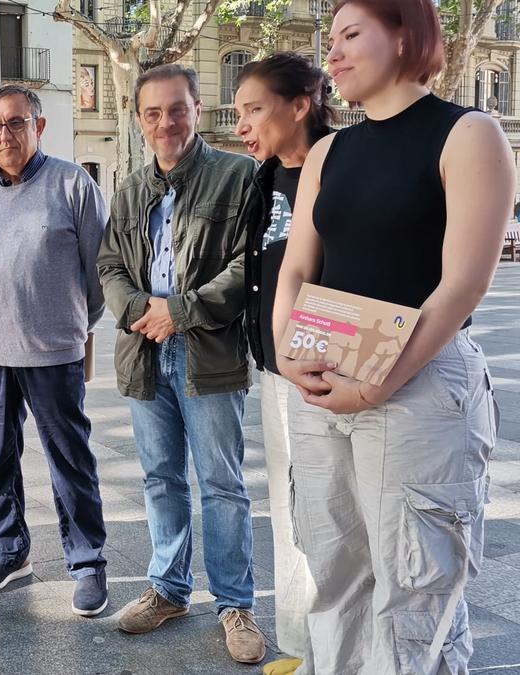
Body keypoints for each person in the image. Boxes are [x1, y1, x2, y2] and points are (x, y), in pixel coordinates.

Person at [273, 0, 509, 671]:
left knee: (417, 593)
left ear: (406, 33)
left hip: (420, 382)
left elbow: (464, 282)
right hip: (322, 377)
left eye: (352, 35)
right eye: (333, 39)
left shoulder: (468, 134)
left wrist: (377, 380)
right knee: (335, 577)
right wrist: (292, 356)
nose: (334, 54)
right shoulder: (327, 150)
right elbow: (297, 265)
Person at [97, 64, 265, 664]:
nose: (165, 122)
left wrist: (182, 311)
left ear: (197, 110)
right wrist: (143, 310)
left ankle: (234, 604)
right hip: (145, 350)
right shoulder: (131, 188)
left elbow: (253, 266)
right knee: (160, 478)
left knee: (222, 484)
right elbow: (109, 263)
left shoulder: (239, 175)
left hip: (208, 351)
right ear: (140, 120)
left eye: (176, 109)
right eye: (152, 112)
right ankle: (168, 589)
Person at [0, 84, 110, 617]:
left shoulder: (73, 183)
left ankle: (88, 561)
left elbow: (101, 270)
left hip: (54, 352)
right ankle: (10, 547)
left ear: (39, 127)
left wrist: (75, 326)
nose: (6, 134)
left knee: (70, 460)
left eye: (16, 123)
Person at [233, 53, 335, 675]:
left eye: (254, 109)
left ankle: (339, 650)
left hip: (329, 373)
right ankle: (301, 645)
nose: (242, 123)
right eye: (239, 110)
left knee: (333, 516)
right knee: (289, 508)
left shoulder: (345, 169)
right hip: (275, 369)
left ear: (300, 104)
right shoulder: (260, 177)